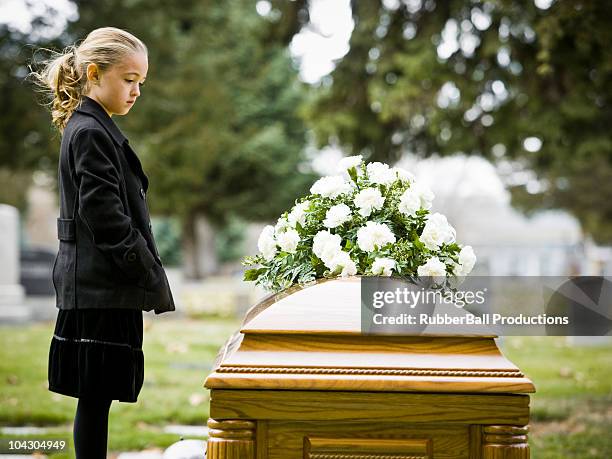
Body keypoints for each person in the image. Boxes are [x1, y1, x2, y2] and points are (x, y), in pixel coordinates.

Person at [30, 27, 175, 458]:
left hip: (99, 287)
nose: (136, 91)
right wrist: (147, 270)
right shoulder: (91, 131)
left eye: (141, 83)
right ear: (94, 73)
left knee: (97, 400)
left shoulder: (94, 126)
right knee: (95, 400)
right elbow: (106, 220)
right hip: (99, 289)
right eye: (129, 80)